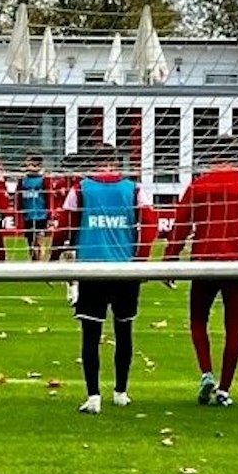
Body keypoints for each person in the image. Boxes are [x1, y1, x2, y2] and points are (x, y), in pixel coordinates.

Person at [56, 143, 158, 413]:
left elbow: (64, 224)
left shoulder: (80, 188)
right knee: (124, 331)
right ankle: (121, 392)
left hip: (91, 270)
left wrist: (54, 257)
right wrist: (141, 260)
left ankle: (93, 397)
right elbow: (151, 224)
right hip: (125, 271)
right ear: (117, 162)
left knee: (91, 334)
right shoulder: (134, 189)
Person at [164, 134, 238, 407]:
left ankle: (206, 371)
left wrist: (170, 259)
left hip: (204, 261)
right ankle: (225, 389)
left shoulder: (200, 185)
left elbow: (180, 225)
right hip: (237, 265)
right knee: (235, 328)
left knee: (198, 319)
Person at [16, 151, 54, 262]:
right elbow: (19, 196)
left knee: (38, 241)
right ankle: (35, 262)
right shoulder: (23, 179)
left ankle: (40, 262)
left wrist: (50, 215)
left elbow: (49, 197)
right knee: (30, 242)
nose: (26, 164)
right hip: (28, 216)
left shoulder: (43, 179)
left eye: (29, 162)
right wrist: (19, 212)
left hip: (41, 215)